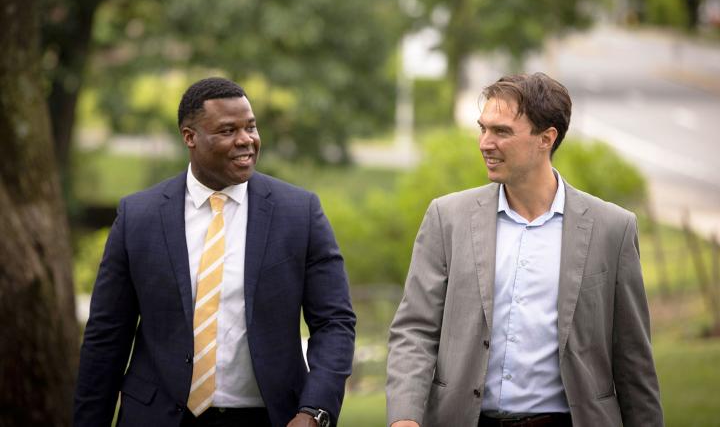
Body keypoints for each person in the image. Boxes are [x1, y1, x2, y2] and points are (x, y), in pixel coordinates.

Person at [75, 77, 356, 427]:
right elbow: (107, 336)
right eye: (227, 131)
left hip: (270, 417)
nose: (246, 140)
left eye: (250, 127)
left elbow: (335, 322)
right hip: (159, 417)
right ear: (190, 137)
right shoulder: (138, 217)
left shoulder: (299, 213)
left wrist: (313, 411)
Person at [386, 73, 662, 427]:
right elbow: (414, 331)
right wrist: (404, 418)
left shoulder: (612, 229)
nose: (485, 143)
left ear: (546, 138)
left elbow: (633, 361)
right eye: (482, 128)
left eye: (501, 132)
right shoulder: (447, 218)